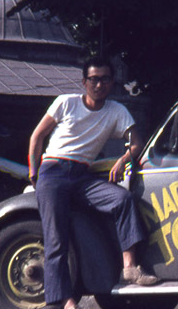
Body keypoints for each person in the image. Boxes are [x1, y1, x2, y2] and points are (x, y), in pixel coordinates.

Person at [28, 56, 159, 309]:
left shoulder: (116, 111)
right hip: (53, 172)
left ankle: (130, 267)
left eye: (105, 79)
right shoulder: (65, 103)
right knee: (56, 240)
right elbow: (37, 136)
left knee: (121, 199)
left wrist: (123, 160)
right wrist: (34, 174)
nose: (99, 85)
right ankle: (66, 302)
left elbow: (137, 144)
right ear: (84, 82)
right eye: (93, 79)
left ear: (112, 82)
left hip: (83, 177)